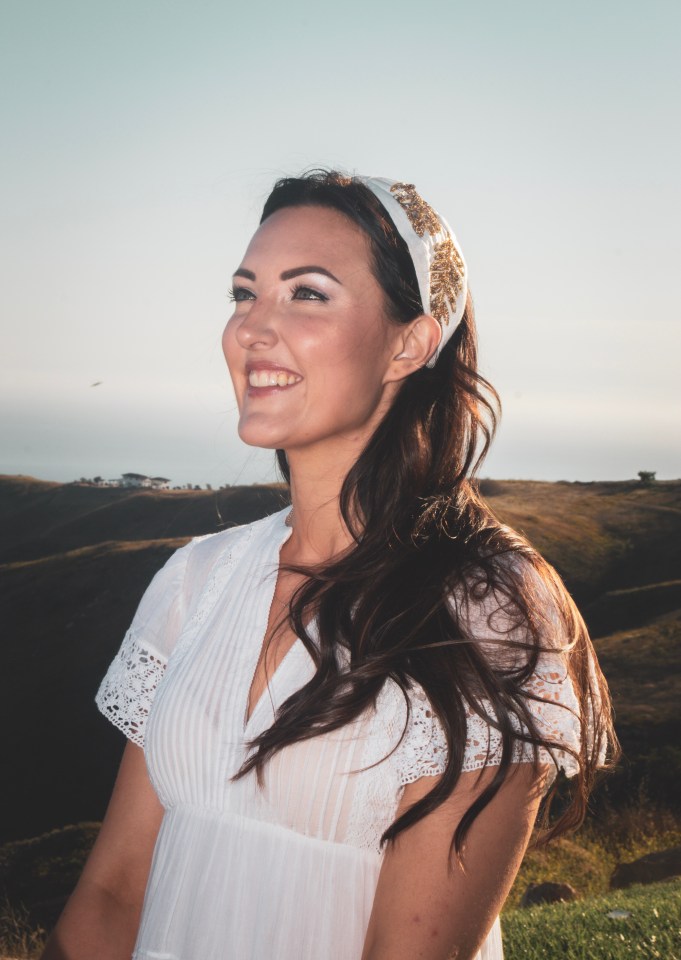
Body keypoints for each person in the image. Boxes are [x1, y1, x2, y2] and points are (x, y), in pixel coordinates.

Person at [42, 170, 617, 960]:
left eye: (306, 294)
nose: (250, 329)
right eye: (244, 294)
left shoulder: (485, 613)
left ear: (409, 343)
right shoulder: (195, 581)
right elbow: (112, 893)